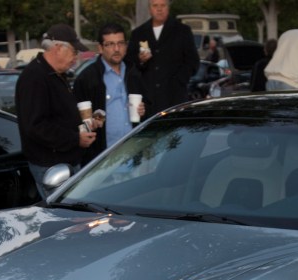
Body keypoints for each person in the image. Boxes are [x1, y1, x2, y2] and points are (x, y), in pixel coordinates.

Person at [15, 24, 97, 195]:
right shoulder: (35, 77)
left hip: (64, 163)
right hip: (51, 167)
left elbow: (61, 116)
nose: (76, 58)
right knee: (63, 217)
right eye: (74, 52)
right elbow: (36, 126)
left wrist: (85, 125)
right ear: (58, 48)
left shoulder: (57, 75)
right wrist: (75, 139)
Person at [73, 23, 146, 165]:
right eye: (110, 44)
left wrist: (144, 110)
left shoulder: (134, 72)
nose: (117, 49)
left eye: (120, 43)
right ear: (100, 48)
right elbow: (76, 120)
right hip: (103, 161)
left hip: (133, 154)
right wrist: (91, 123)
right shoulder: (87, 78)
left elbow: (149, 103)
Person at [127, 0, 198, 116]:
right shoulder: (138, 33)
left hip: (175, 100)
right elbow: (129, 63)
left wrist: (179, 81)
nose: (159, 9)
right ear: (150, 9)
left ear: (168, 8)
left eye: (163, 5)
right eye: (155, 5)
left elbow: (193, 62)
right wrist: (140, 60)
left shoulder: (182, 31)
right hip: (147, 103)